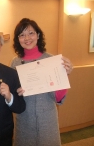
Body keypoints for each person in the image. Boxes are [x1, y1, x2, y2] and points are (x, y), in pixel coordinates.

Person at [11, 18, 73, 146]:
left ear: (38, 35)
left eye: (31, 33)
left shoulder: (51, 60)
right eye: (22, 35)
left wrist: (64, 76)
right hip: (24, 119)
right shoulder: (15, 63)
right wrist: (17, 92)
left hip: (47, 119)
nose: (27, 38)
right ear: (18, 39)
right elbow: (12, 96)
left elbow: (58, 98)